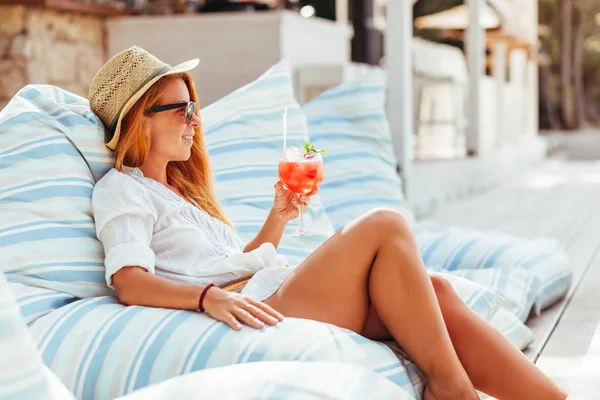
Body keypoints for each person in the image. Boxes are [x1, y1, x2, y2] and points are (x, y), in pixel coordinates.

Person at [89, 47, 566, 400]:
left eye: (195, 109)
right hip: (264, 305)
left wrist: (278, 217)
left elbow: (233, 263)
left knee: (435, 290)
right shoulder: (122, 189)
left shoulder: (181, 193)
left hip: (266, 288)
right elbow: (130, 282)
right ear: (139, 121)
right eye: (183, 108)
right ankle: (453, 392)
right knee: (384, 224)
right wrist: (206, 298)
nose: (195, 120)